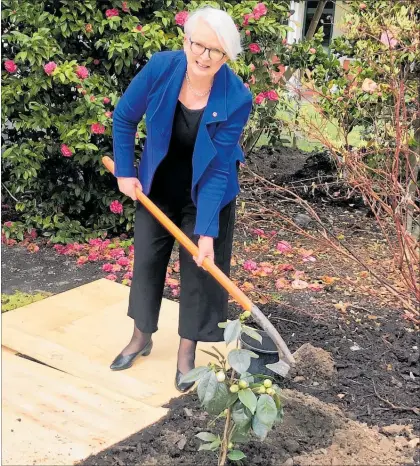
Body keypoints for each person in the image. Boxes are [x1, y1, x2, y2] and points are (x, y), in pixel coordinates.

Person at [110, 6, 253, 392]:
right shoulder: (162, 68)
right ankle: (141, 336)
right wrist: (125, 171)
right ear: (185, 40)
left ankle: (186, 352)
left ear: (227, 56)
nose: (204, 56)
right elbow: (124, 117)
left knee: (199, 272)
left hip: (207, 189)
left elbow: (219, 168)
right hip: (157, 184)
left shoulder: (236, 96)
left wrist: (206, 231)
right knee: (147, 261)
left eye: (216, 50)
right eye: (198, 44)